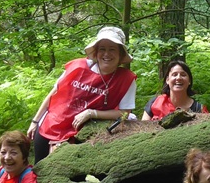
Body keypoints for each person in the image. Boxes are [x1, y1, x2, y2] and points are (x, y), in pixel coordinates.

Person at [27, 26, 137, 162]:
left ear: (120, 54)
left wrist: (92, 113)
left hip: (84, 132)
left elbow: (124, 113)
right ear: (96, 53)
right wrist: (35, 121)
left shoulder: (126, 79)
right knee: (40, 169)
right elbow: (54, 93)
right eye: (102, 49)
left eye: (112, 49)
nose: (106, 54)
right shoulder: (77, 67)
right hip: (52, 124)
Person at [142, 59, 207, 119]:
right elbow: (143, 129)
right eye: (174, 74)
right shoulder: (155, 102)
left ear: (189, 81)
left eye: (183, 75)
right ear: (167, 80)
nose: (178, 78)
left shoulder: (199, 108)